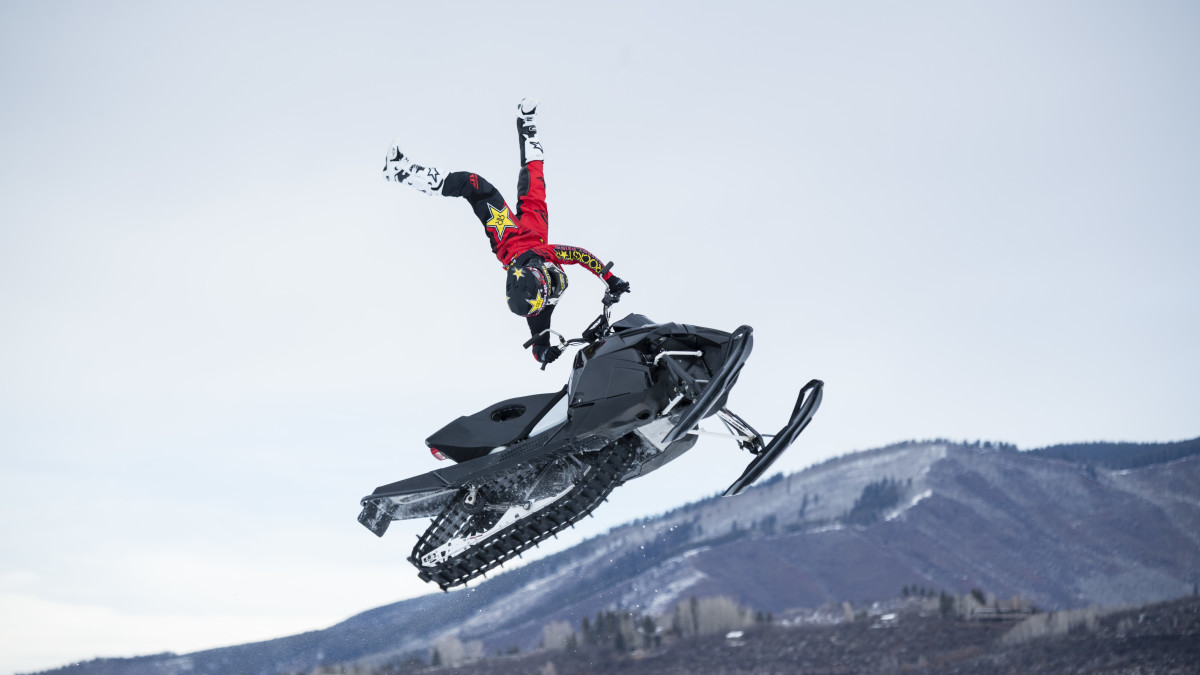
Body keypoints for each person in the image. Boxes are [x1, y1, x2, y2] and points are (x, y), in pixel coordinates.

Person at [382, 98, 630, 365]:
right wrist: (546, 352)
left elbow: (579, 255)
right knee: (535, 173)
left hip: (509, 237)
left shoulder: (540, 261)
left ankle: (401, 172)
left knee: (474, 185)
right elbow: (539, 344)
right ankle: (526, 122)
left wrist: (609, 277)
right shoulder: (537, 306)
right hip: (536, 230)